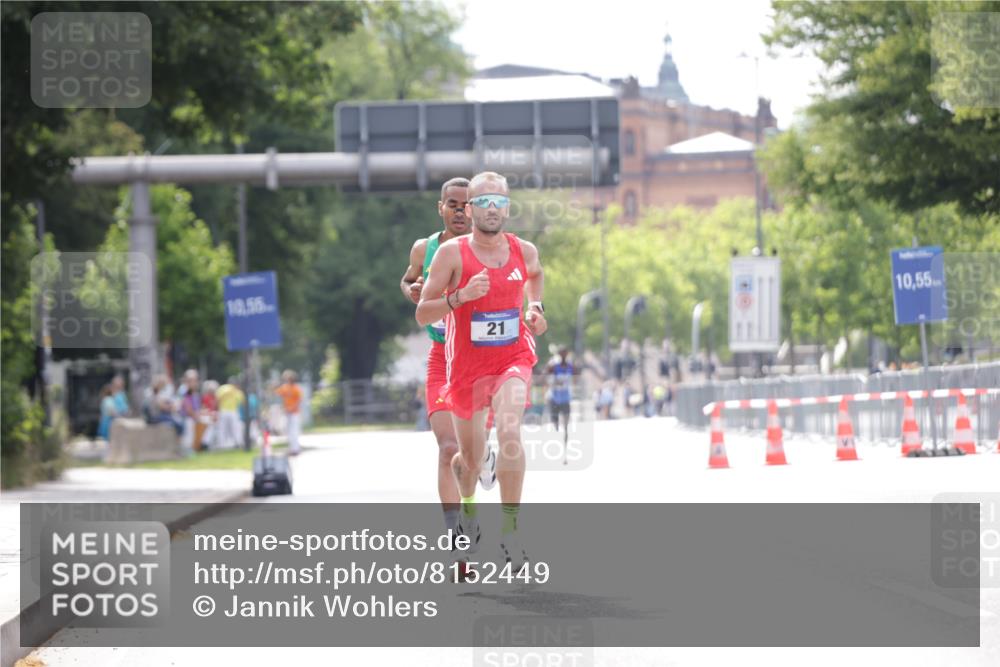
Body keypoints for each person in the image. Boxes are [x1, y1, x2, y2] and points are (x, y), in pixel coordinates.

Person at [416, 170, 547, 570]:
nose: (493, 210)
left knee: (509, 432)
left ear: (508, 207)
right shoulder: (451, 254)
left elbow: (536, 278)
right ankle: (469, 510)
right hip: (467, 369)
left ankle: (510, 532)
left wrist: (535, 308)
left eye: (501, 203)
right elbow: (423, 312)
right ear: (470, 209)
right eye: (485, 203)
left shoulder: (524, 251)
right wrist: (459, 297)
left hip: (512, 358)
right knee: (468, 461)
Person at [400, 176, 496, 547]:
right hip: (443, 354)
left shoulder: (489, 248)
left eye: (466, 204)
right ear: (440, 208)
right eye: (452, 204)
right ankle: (456, 535)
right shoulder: (423, 248)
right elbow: (408, 280)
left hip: (480, 357)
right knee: (447, 449)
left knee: (471, 454)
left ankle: (483, 464)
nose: (459, 210)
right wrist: (412, 289)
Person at [546, 347, 574, 462]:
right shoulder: (554, 367)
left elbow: (575, 376)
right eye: (561, 353)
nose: (563, 355)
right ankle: (554, 445)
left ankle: (565, 451)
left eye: (565, 353)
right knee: (555, 424)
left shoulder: (570, 367)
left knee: (566, 426)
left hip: (566, 399)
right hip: (554, 399)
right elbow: (546, 375)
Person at [275, 370, 303, 455]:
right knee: (288, 431)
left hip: (294, 412)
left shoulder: (296, 389)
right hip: (287, 412)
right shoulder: (285, 387)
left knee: (294, 431)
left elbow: (298, 400)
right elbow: (277, 392)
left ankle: (295, 449)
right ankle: (292, 448)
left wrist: (291, 407)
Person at [215, 377, 246, 450]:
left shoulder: (222, 388)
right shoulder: (237, 391)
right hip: (232, 411)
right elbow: (243, 403)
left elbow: (217, 400)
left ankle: (222, 444)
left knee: (223, 428)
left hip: (224, 411)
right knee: (235, 428)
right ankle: (238, 443)